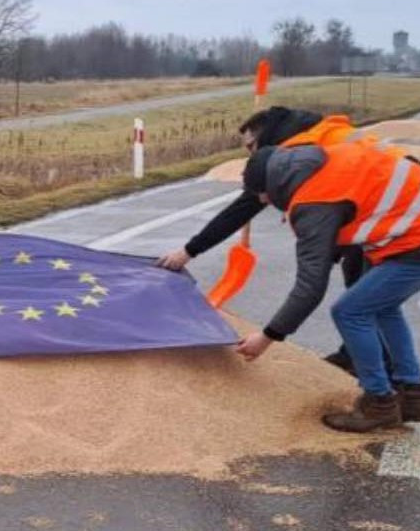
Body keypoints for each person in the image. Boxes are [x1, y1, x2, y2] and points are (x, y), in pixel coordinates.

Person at [157, 107, 386, 373]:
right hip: (371, 209)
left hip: (384, 216)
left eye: (252, 146)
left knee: (361, 299)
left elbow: (244, 207)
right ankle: (360, 356)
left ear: (267, 136)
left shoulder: (296, 152)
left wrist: (189, 251)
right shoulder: (311, 137)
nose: (251, 155)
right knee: (361, 291)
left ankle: (386, 376)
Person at [235, 142, 420, 433]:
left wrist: (267, 336)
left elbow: (310, 287)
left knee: (349, 311)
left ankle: (380, 403)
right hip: (413, 230)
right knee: (382, 307)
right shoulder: (322, 160)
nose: (263, 201)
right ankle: (414, 396)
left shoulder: (312, 201)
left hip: (417, 239)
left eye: (262, 196)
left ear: (271, 186)